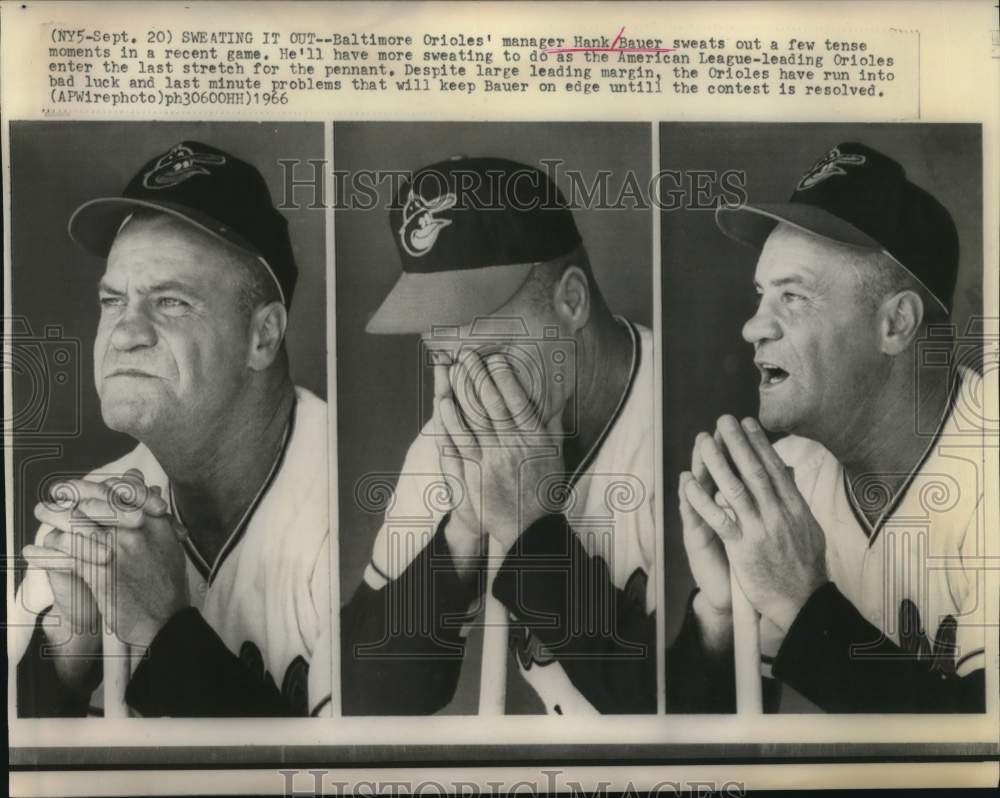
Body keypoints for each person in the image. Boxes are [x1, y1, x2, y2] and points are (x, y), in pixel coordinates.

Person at [14, 141, 332, 717]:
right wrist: (64, 656)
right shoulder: (99, 509)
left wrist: (165, 631)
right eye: (112, 301)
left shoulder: (347, 507)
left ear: (262, 336)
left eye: (172, 303)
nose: (125, 331)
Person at [340, 156, 659, 714]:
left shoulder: (681, 426)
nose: (468, 387)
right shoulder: (453, 440)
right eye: (442, 356)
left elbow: (686, 713)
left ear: (572, 301)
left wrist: (528, 527)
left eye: (485, 352)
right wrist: (460, 531)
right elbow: (359, 695)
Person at [677, 142, 989, 712]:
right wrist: (721, 617)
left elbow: (978, 744)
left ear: (894, 324)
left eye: (793, 296)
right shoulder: (791, 475)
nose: (752, 328)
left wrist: (801, 598)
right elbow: (707, 750)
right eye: (761, 295)